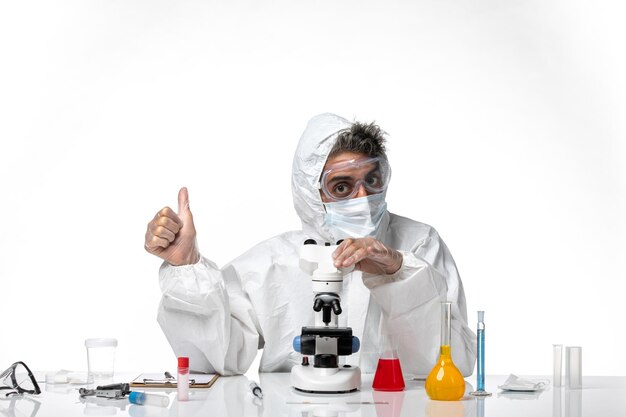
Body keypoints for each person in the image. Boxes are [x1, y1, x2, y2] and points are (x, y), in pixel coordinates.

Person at [144, 113, 476, 377]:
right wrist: (186, 266)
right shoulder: (274, 262)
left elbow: (454, 363)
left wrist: (398, 271)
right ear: (310, 193)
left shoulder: (418, 244)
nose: (363, 198)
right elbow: (214, 360)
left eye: (371, 181)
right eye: (342, 187)